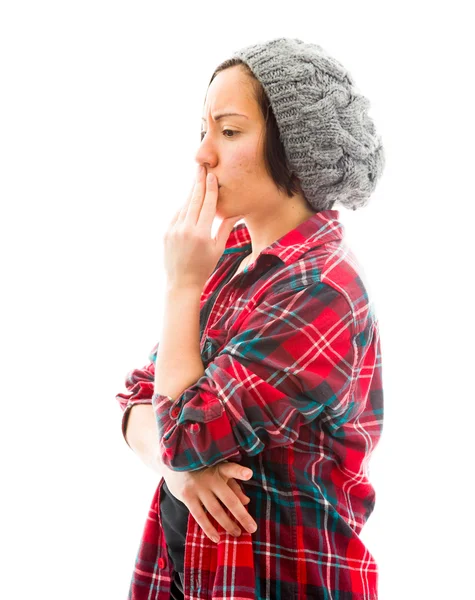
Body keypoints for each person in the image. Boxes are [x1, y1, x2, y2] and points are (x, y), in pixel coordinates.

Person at [116, 37, 385, 600]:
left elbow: (181, 432)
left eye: (230, 131)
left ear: (295, 149)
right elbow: (140, 401)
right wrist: (177, 472)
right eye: (203, 130)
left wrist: (181, 286)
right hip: (190, 574)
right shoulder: (233, 257)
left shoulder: (321, 288)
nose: (203, 154)